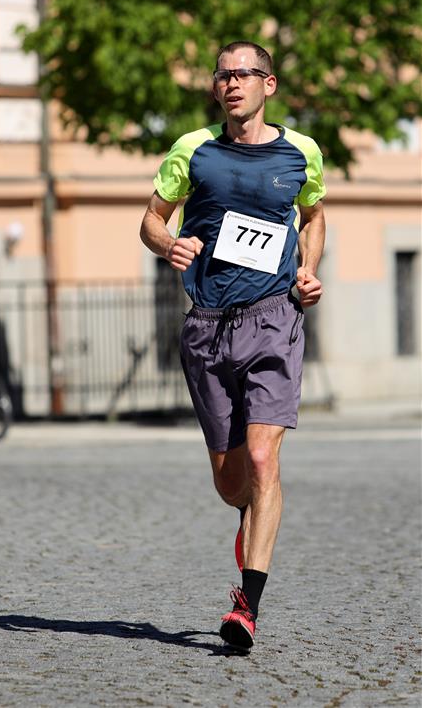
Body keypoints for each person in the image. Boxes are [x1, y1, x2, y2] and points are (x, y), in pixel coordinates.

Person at [140, 41, 326, 651]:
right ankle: (250, 513)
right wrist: (169, 244)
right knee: (231, 482)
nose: (232, 82)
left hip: (274, 317)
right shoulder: (193, 150)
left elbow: (313, 216)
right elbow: (151, 219)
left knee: (265, 459)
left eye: (244, 73)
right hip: (208, 325)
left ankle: (246, 607)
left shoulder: (301, 152)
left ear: (268, 84)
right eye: (223, 75)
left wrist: (308, 268)